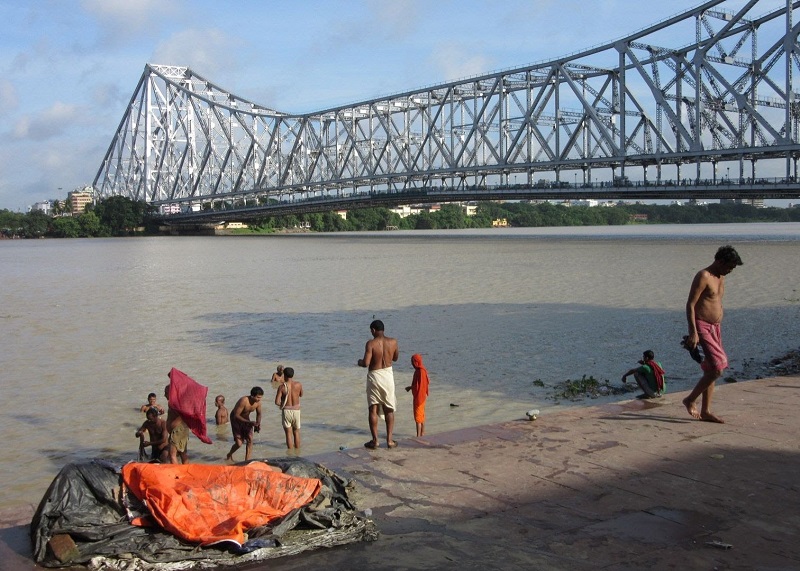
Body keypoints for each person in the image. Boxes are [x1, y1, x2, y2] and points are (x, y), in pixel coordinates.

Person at [682, 245, 743, 424]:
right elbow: (691, 304)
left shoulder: (721, 277)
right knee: (718, 367)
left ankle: (706, 411)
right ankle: (690, 399)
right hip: (701, 326)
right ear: (720, 261)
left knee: (710, 369)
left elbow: (715, 301)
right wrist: (693, 332)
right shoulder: (703, 276)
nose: (730, 271)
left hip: (715, 327)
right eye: (729, 267)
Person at [357, 319, 399, 449]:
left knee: (373, 408)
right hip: (388, 376)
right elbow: (395, 358)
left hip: (375, 376)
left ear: (373, 330)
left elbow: (366, 363)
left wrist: (359, 362)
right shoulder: (393, 342)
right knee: (389, 408)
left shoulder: (371, 344)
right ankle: (390, 441)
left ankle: (375, 441)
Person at [226, 387, 264, 462]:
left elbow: (259, 414)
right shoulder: (244, 401)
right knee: (239, 443)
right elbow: (236, 415)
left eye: (260, 397)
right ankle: (229, 454)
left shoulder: (258, 403)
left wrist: (258, 423)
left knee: (250, 439)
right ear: (252, 396)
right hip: (236, 419)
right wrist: (249, 422)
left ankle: (247, 461)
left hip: (246, 419)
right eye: (258, 397)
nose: (259, 399)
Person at [274, 367, 303, 450]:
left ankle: (290, 454)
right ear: (293, 375)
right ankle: (297, 452)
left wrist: (282, 405)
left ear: (284, 375)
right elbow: (301, 394)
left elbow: (276, 401)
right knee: (296, 432)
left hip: (286, 411)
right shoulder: (299, 384)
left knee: (288, 433)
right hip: (296, 410)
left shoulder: (282, 387)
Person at [405, 354, 430, 437]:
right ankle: (423, 433)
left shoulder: (420, 371)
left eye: (412, 362)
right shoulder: (422, 370)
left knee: (418, 419)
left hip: (419, 397)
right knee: (421, 416)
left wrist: (411, 387)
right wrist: (411, 387)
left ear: (416, 362)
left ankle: (418, 435)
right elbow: (421, 385)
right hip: (422, 396)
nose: (412, 364)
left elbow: (419, 386)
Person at [164, 384, 190, 464]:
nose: (164, 395)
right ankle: (186, 470)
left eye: (166, 392)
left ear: (171, 392)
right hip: (181, 429)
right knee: (182, 452)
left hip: (178, 430)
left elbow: (186, 412)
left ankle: (176, 474)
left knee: (172, 454)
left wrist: (176, 423)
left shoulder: (175, 402)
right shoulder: (176, 401)